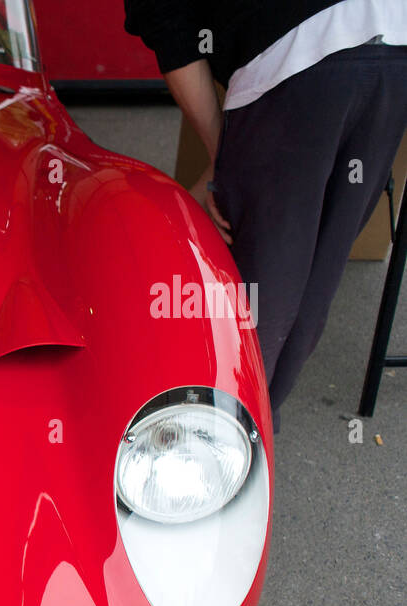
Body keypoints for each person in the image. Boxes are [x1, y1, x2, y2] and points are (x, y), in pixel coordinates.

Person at [124, 0, 407, 425]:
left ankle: (217, 444)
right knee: (315, 281)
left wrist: (224, 152)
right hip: (395, 47)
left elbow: (166, 22)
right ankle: (245, 431)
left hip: (296, 55)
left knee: (259, 298)